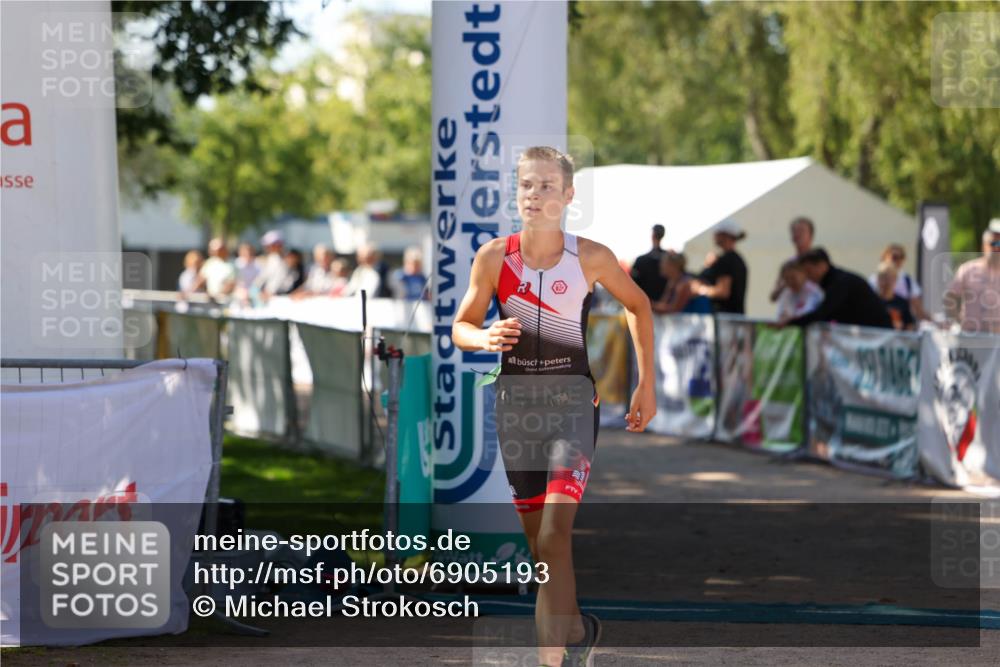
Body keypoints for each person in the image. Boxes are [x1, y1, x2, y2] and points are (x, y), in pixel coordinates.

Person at [451, 146, 656, 667]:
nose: (535, 194)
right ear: (515, 194)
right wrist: (484, 336)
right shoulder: (495, 257)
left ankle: (551, 660)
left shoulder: (590, 256)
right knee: (543, 551)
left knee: (554, 533)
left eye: (546, 185)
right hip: (515, 407)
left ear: (568, 197)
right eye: (526, 185)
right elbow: (461, 326)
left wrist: (645, 383)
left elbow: (638, 304)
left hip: (570, 405)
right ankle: (576, 627)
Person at [780, 247, 893, 329]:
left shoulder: (840, 282)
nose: (808, 277)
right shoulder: (833, 283)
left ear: (822, 265)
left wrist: (790, 323)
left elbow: (822, 313)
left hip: (878, 334)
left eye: (809, 271)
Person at [944, 220, 1000, 335]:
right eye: (993, 243)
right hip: (971, 337)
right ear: (983, 245)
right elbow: (950, 298)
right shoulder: (968, 269)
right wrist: (956, 322)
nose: (996, 248)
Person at [691, 219, 748, 314]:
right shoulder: (736, 259)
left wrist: (700, 290)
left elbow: (723, 292)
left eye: (717, 234)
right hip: (734, 317)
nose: (714, 237)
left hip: (725, 318)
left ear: (725, 235)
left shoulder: (726, 260)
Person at [868, 243, 928, 321]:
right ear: (884, 258)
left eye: (902, 257)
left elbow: (918, 311)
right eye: (894, 257)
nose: (898, 260)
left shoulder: (908, 281)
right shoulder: (873, 280)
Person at [769, 217, 815, 303]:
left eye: (801, 231)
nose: (797, 235)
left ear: (811, 235)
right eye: (794, 231)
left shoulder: (817, 263)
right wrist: (785, 284)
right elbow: (773, 297)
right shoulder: (788, 265)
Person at [631, 224, 668, 302]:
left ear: (652, 235)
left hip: (646, 303)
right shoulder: (669, 260)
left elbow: (633, 284)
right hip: (663, 304)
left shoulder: (641, 260)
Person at [874, 261, 915, 330]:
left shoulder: (902, 302)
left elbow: (909, 326)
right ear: (877, 279)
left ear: (895, 279)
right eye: (882, 277)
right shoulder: (871, 300)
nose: (885, 282)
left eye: (889, 278)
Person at [195, 237, 236, 302]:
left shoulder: (233, 263)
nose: (215, 252)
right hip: (211, 300)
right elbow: (200, 280)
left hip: (227, 301)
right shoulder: (210, 263)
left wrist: (218, 295)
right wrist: (189, 292)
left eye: (217, 250)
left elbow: (232, 283)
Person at [253, 230, 290, 300]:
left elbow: (283, 282)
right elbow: (261, 279)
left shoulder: (287, 259)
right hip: (269, 297)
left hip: (281, 298)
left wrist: (271, 293)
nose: (267, 248)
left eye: (269, 245)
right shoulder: (272, 259)